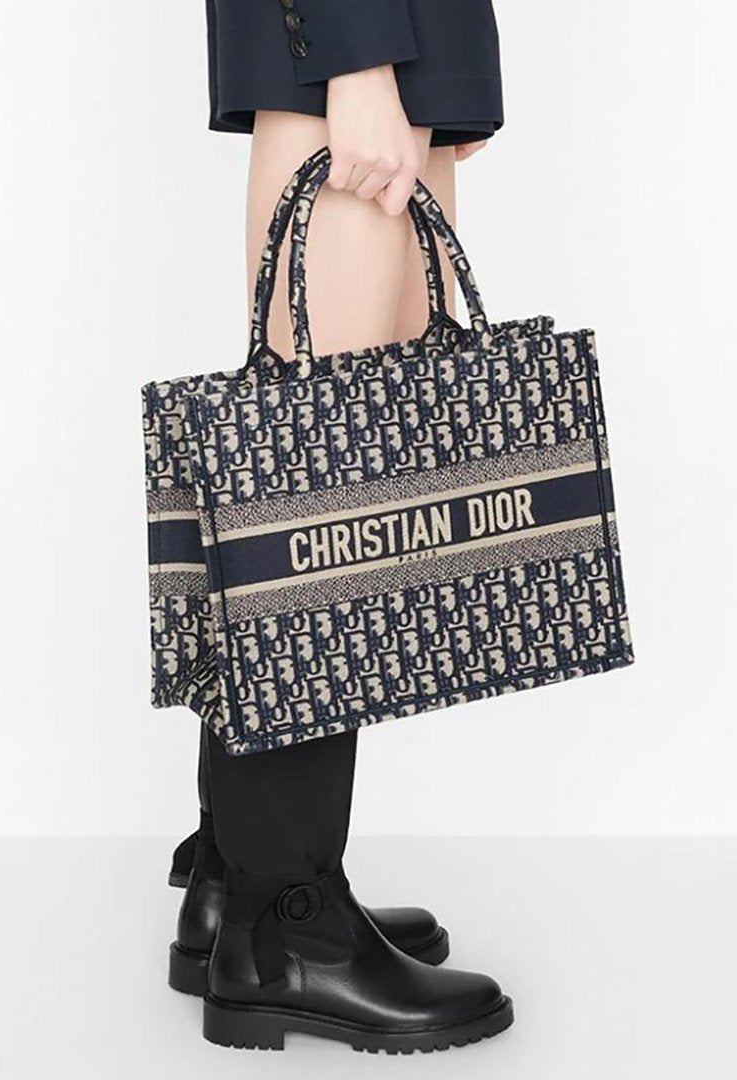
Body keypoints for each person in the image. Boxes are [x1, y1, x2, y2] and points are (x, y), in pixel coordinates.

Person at [167, 0, 514, 1053]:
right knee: (310, 503)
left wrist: (449, 68)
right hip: (360, 32)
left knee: (325, 483)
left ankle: (236, 880)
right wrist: (355, 56)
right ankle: (287, 921)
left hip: (404, 33)